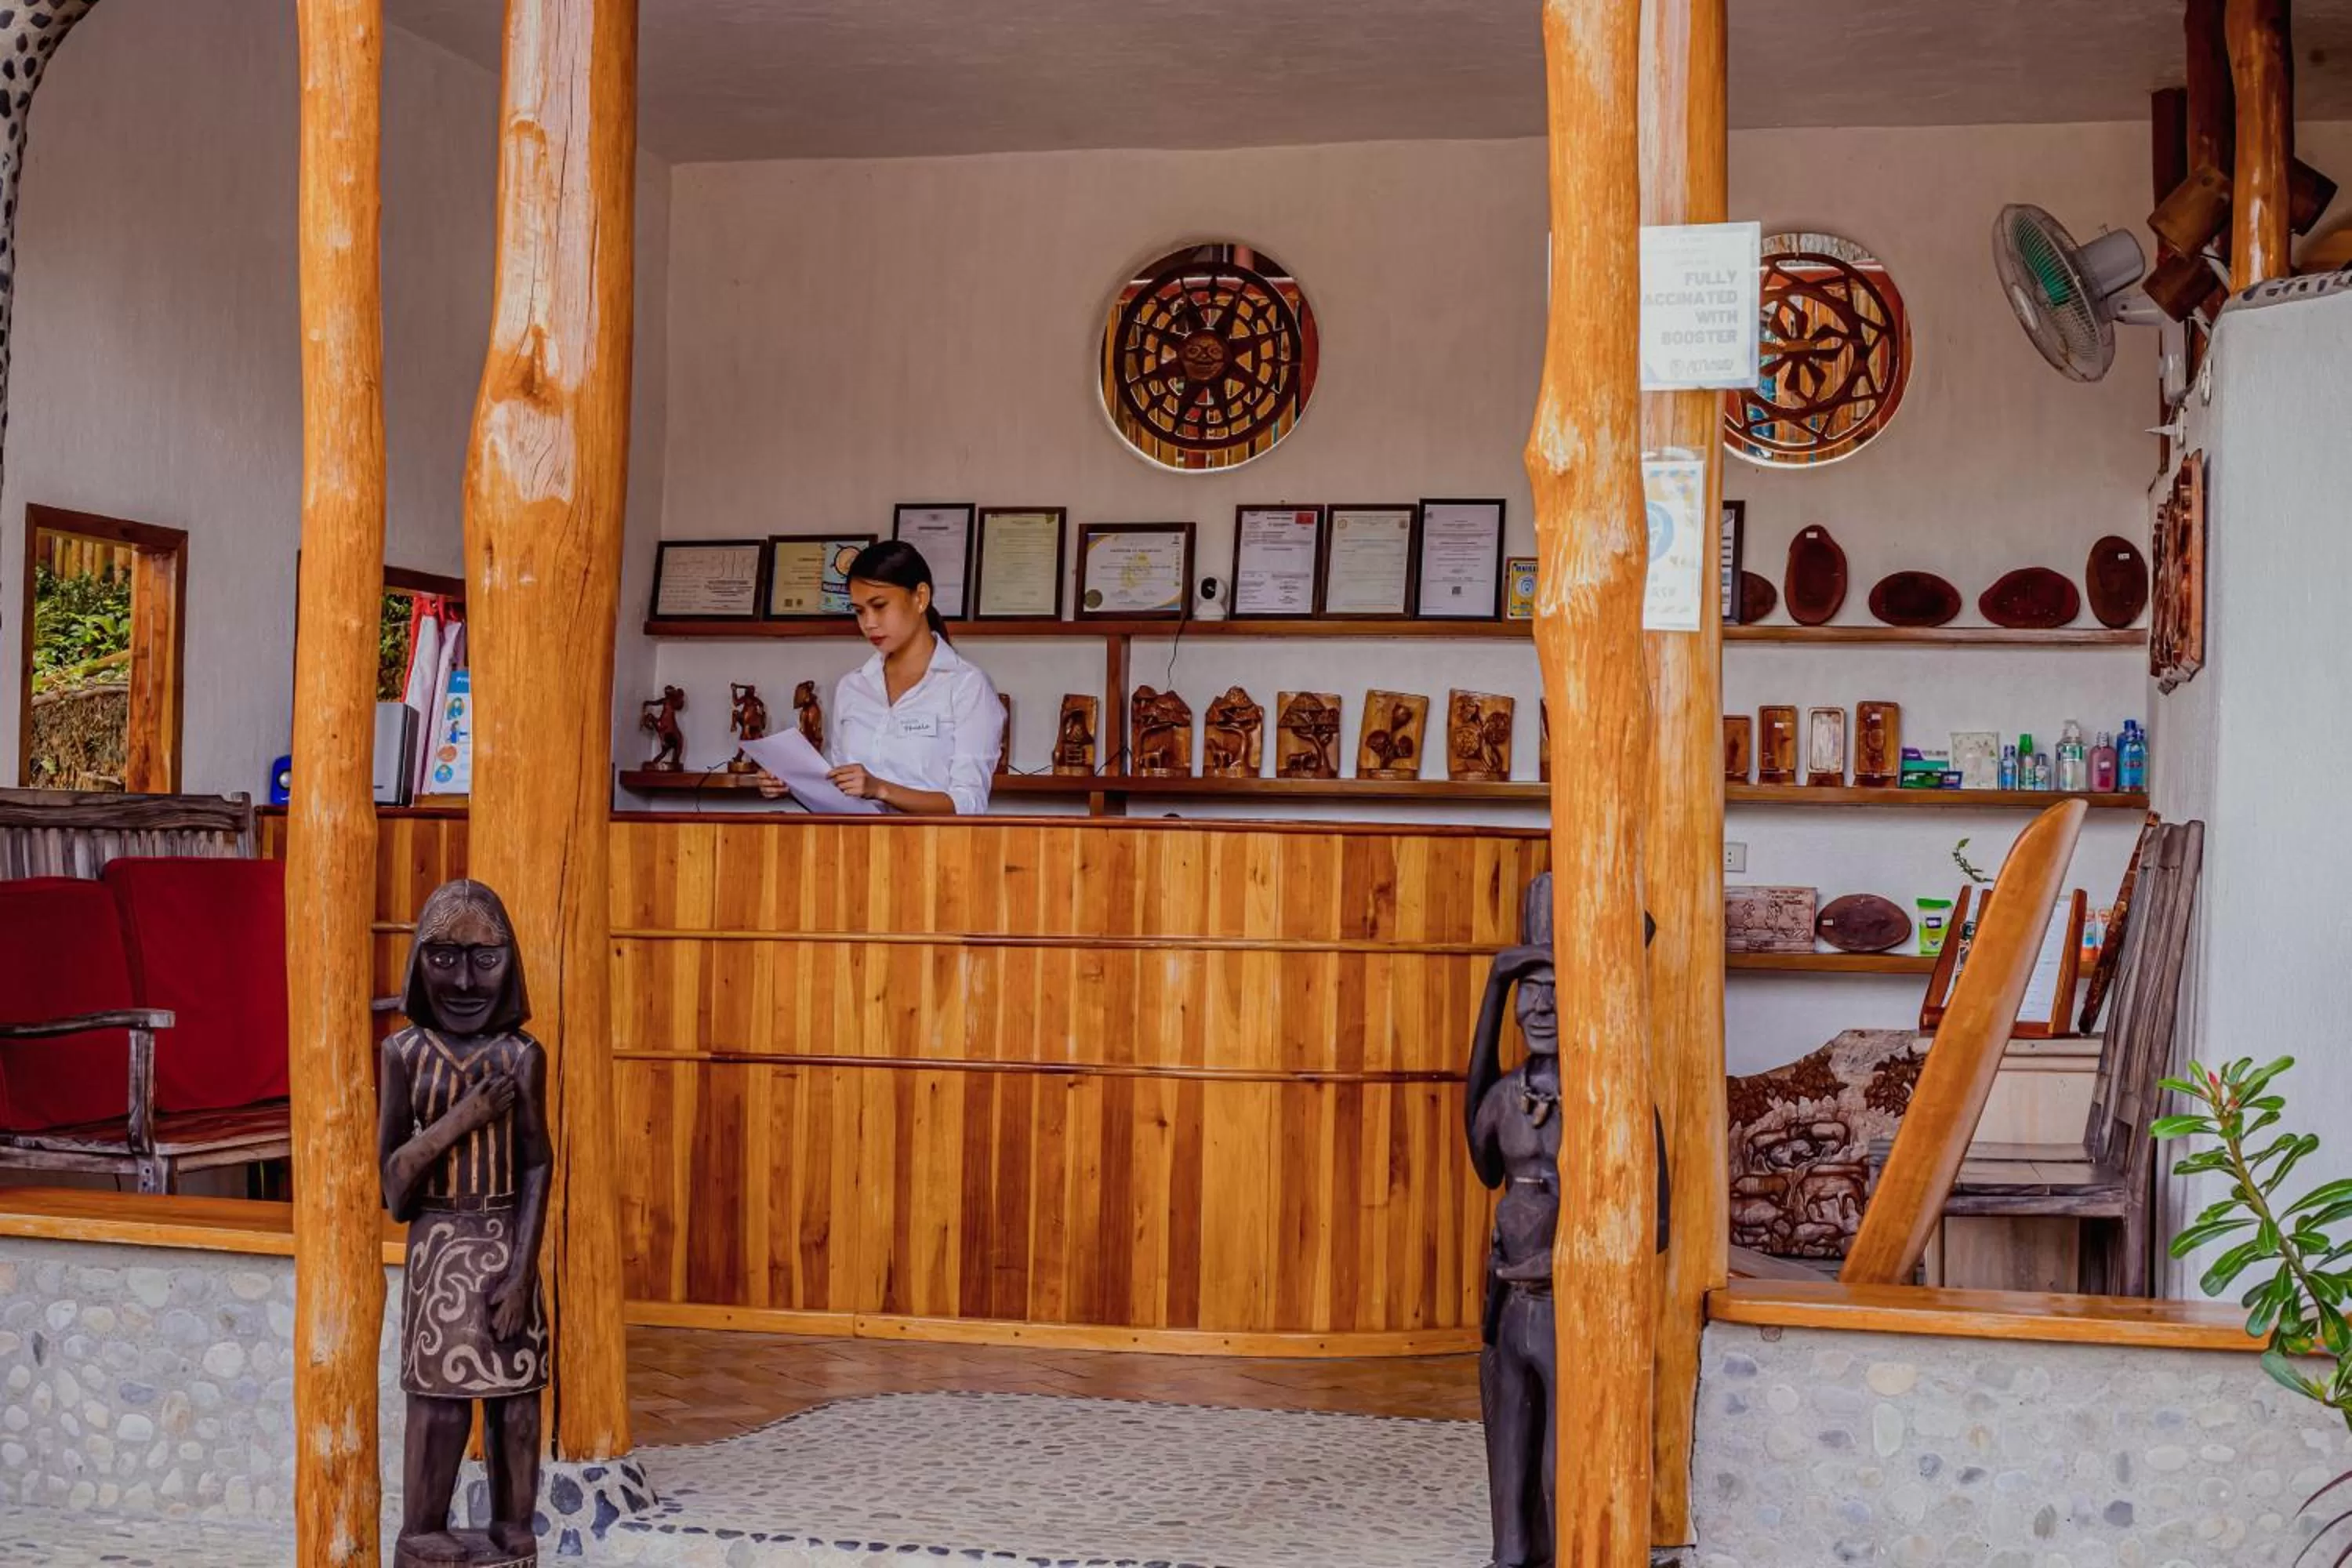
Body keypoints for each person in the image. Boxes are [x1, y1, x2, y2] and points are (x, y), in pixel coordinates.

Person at [378, 879, 550, 1564]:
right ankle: (423, 1527)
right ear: (418, 961)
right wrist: (463, 1118)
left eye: (486, 958)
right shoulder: (405, 1056)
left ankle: (515, 1523)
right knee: (440, 1400)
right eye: (444, 958)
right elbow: (393, 1186)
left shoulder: (521, 1056)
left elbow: (538, 1164)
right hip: (440, 1245)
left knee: (517, 1401)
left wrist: (522, 1273)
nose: (466, 980)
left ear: (511, 964)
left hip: (509, 1242)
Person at [758, 539, 1004, 815]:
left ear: (920, 597)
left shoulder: (967, 686)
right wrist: (792, 784)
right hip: (857, 850)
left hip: (936, 852)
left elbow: (969, 805)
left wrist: (881, 789)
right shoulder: (852, 686)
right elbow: (839, 795)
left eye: (880, 606)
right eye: (860, 611)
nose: (869, 623)